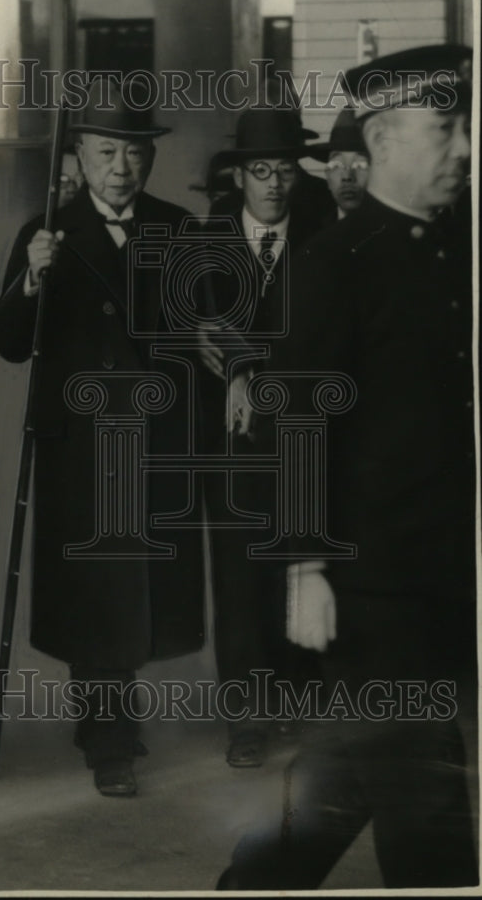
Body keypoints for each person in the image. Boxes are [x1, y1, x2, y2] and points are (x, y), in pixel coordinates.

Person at [219, 44, 476, 889]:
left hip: (441, 571)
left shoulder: (449, 254)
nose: (465, 148)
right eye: (445, 129)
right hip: (373, 583)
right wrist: (305, 564)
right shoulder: (335, 262)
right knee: (429, 809)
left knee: (343, 782)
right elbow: (296, 417)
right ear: (387, 137)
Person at [0, 78, 205, 797]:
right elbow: (11, 345)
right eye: (107, 150)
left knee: (137, 593)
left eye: (134, 152)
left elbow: (202, 332)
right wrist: (32, 279)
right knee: (98, 593)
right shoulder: (47, 231)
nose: (121, 167)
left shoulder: (178, 229)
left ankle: (106, 715)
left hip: (155, 438)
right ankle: (109, 738)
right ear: (79, 156)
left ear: (149, 159)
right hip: (82, 448)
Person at [198, 107, 328, 768]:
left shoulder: (323, 234)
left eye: (285, 170)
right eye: (260, 171)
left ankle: (294, 708)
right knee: (240, 580)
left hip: (306, 434)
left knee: (298, 571)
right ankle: (246, 720)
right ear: (238, 175)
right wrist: (235, 367)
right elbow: (192, 318)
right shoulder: (208, 238)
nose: (273, 184)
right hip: (235, 443)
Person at [308, 106, 370, 219]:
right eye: (336, 165)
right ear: (327, 175)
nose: (347, 176)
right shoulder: (313, 233)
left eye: (360, 165)